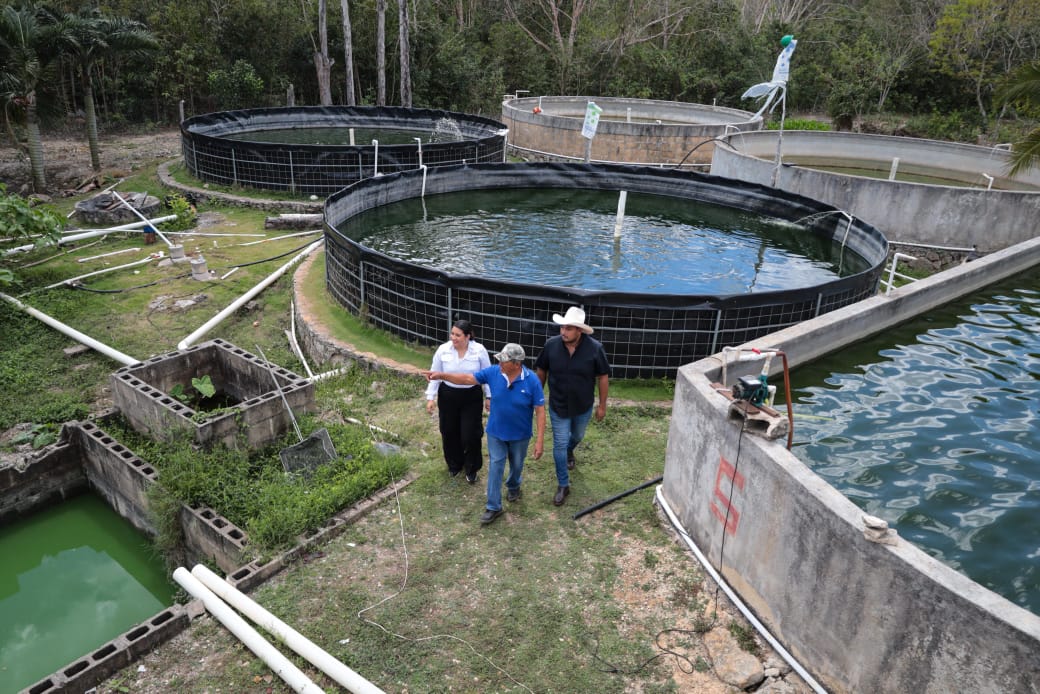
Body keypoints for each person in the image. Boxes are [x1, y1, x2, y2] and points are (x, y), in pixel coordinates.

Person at [423, 344, 545, 526]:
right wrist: (441, 375)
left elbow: (540, 410)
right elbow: (466, 379)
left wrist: (540, 441)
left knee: (517, 464)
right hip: (496, 432)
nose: (499, 363)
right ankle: (493, 506)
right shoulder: (493, 373)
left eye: (504, 360)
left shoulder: (532, 381)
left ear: (516, 364)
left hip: (520, 435)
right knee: (496, 466)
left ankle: (513, 485)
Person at [535, 307, 611, 506]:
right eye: (562, 327)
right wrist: (537, 397)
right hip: (558, 405)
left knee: (577, 436)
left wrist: (602, 405)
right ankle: (563, 484)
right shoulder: (551, 346)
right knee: (558, 443)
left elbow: (603, 376)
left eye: (569, 328)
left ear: (579, 331)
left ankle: (570, 450)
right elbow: (541, 370)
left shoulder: (595, 348)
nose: (563, 332)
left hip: (583, 405)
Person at [425, 320, 491, 483]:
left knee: (470, 434)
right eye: (452, 334)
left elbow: (488, 375)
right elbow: (435, 374)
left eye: (458, 335)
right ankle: (454, 464)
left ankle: (472, 468)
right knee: (448, 430)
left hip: (471, 396)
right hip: (448, 395)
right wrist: (430, 397)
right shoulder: (443, 350)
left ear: (468, 336)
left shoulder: (479, 351)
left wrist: (489, 397)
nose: (453, 337)